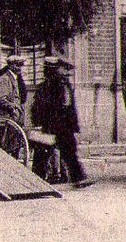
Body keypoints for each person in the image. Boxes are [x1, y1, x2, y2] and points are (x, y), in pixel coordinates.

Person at [33, 55, 92, 188]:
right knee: (43, 153)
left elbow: (71, 107)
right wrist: (40, 123)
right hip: (51, 125)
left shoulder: (65, 84)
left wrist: (74, 124)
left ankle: (78, 178)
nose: (67, 73)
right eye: (64, 69)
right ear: (56, 69)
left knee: (69, 151)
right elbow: (40, 106)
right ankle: (36, 179)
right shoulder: (48, 86)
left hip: (64, 125)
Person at [0, 51, 30, 126]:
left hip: (14, 119)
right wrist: (13, 106)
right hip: (5, 119)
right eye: (17, 65)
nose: (20, 68)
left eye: (21, 65)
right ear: (10, 65)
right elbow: (0, 99)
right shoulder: (5, 78)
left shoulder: (16, 78)